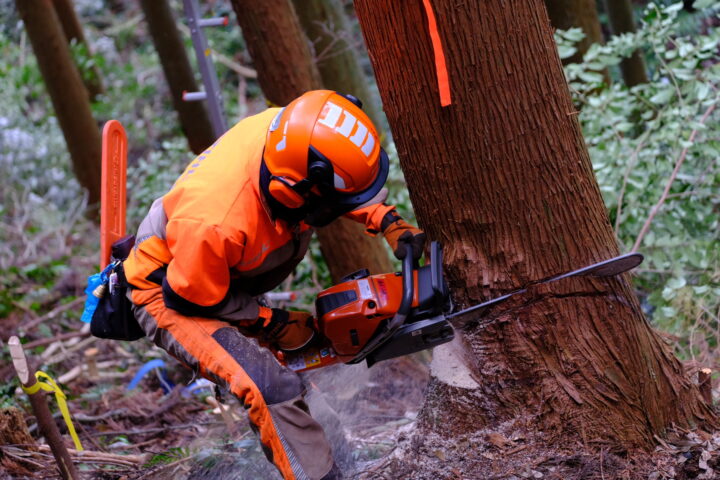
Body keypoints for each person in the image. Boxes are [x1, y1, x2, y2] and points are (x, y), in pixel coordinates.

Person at [123, 90, 425, 480]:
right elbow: (190, 295)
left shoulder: (293, 138)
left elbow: (335, 187)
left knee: (293, 375)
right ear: (290, 193)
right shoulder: (216, 222)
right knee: (268, 385)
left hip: (223, 274)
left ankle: (342, 462)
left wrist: (386, 219)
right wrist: (271, 322)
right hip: (174, 291)